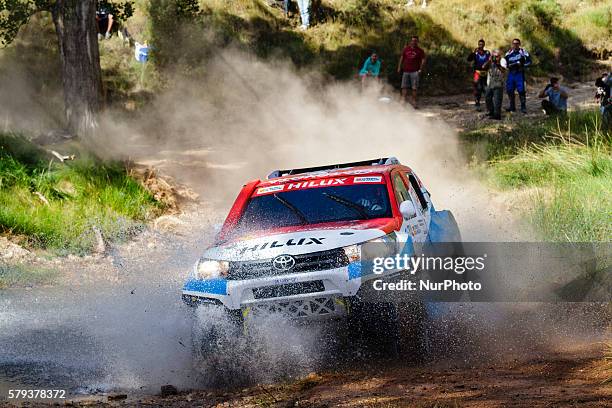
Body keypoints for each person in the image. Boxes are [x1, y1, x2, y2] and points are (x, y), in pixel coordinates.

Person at [397, 36, 426, 108]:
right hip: (405, 71)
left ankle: (414, 103)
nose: (414, 42)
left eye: (415, 41)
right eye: (412, 41)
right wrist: (399, 67)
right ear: (411, 41)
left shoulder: (420, 50)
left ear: (417, 42)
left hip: (415, 72)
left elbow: (423, 60)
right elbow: (402, 58)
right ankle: (403, 102)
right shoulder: (406, 49)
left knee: (414, 88)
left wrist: (420, 69)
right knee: (404, 87)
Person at [504, 38, 532, 113]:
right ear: (512, 44)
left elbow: (529, 62)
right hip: (511, 74)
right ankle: (512, 107)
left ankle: (523, 107)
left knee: (521, 90)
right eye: (514, 43)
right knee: (509, 90)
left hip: (519, 73)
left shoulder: (523, 52)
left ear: (519, 44)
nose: (515, 45)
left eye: (517, 43)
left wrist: (523, 65)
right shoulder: (508, 53)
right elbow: (504, 63)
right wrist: (507, 66)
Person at [467, 39, 491, 111]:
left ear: (484, 45)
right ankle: (477, 103)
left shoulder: (487, 52)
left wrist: (487, 64)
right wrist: (473, 52)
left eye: (482, 44)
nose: (480, 45)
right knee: (478, 87)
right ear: (478, 45)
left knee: (486, 89)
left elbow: (490, 60)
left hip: (486, 73)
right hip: (477, 72)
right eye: (479, 44)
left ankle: (488, 105)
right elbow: (469, 59)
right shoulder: (476, 53)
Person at [483, 49, 506, 120]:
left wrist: (497, 63)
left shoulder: (503, 60)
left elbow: (503, 70)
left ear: (500, 55)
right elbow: (483, 67)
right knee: (487, 97)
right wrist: (489, 60)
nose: (495, 58)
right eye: (494, 56)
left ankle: (497, 115)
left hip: (499, 83)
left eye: (497, 56)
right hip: (490, 82)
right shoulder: (491, 61)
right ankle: (491, 111)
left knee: (497, 100)